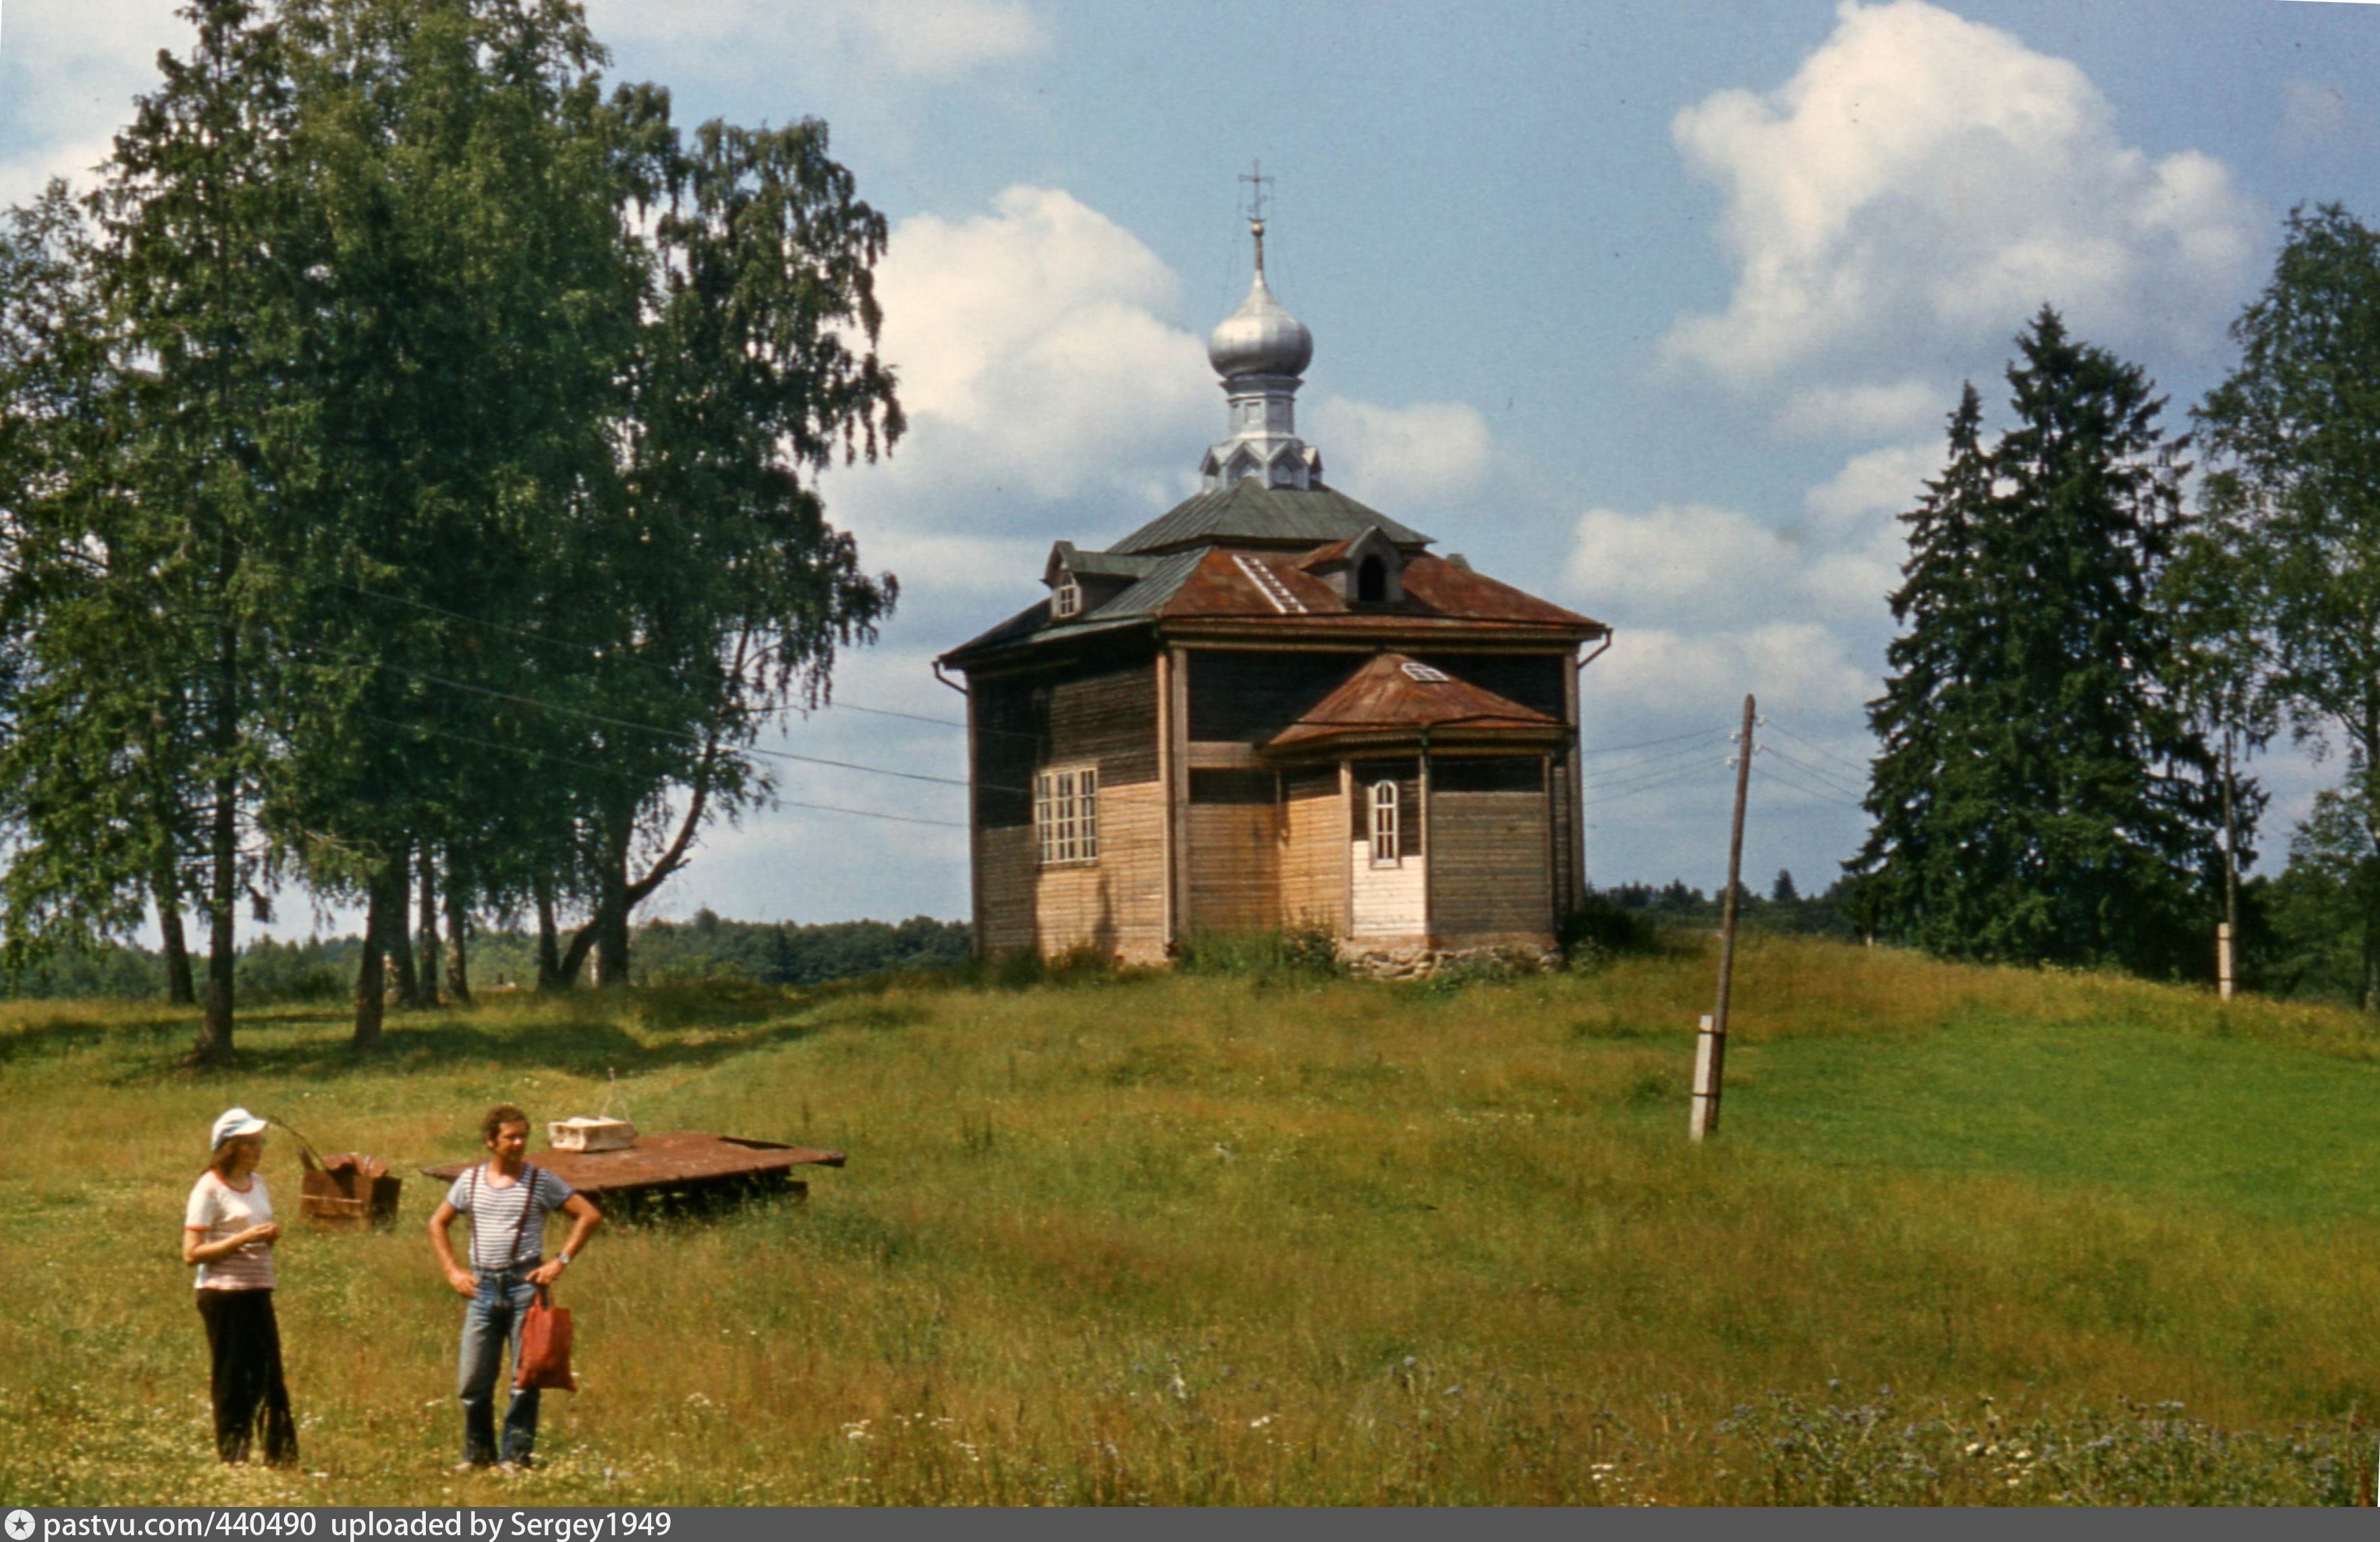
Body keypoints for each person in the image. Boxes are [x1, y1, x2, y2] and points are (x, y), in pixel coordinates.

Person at [426, 1103, 601, 1470]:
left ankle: (516, 1459)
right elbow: (437, 1223)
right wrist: (453, 1271)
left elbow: (588, 1215)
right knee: (473, 1380)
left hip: (526, 1288)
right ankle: (478, 1455)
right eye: (511, 1137)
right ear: (491, 1141)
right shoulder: (471, 1181)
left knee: (526, 1378)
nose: (519, 1143)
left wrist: (560, 1261)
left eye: (523, 1136)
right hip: (483, 1289)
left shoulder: (541, 1181)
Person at [182, 1107, 298, 1465]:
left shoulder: (258, 1184)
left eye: (259, 1142)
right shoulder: (209, 1188)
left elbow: (255, 1233)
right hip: (222, 1293)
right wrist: (244, 1238)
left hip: (258, 1287)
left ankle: (281, 1457)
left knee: (269, 1373)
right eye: (250, 1143)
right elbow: (192, 1253)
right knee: (233, 1374)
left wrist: (268, 1238)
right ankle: (234, 1454)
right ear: (230, 1147)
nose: (259, 1149)